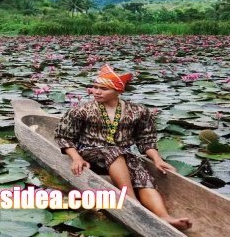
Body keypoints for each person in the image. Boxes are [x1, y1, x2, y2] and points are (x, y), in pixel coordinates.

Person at [54, 64, 192, 230]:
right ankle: (131, 202)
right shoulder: (81, 111)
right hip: (89, 155)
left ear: (118, 91)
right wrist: (76, 158)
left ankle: (164, 216)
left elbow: (145, 139)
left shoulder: (138, 111)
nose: (96, 92)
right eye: (95, 87)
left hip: (122, 157)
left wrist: (157, 159)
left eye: (103, 89)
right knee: (114, 151)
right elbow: (64, 137)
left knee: (139, 169)